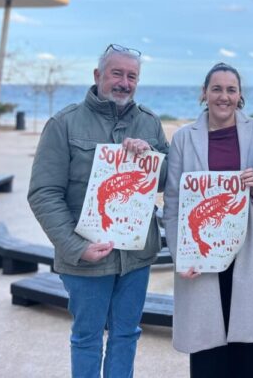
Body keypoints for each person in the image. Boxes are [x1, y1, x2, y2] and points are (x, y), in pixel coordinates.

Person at [28, 44, 169, 378]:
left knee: (127, 335)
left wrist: (149, 157)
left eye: (132, 76)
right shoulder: (64, 123)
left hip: (136, 257)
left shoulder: (149, 122)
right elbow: (43, 193)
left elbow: (164, 181)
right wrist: (76, 247)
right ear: (97, 75)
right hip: (86, 258)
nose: (124, 83)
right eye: (116, 73)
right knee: (87, 338)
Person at [163, 63, 253, 378]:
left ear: (240, 95)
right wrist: (181, 254)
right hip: (201, 252)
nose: (223, 96)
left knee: (245, 346)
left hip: (248, 249)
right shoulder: (184, 138)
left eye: (231, 90)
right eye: (216, 89)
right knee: (206, 345)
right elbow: (173, 201)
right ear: (204, 93)